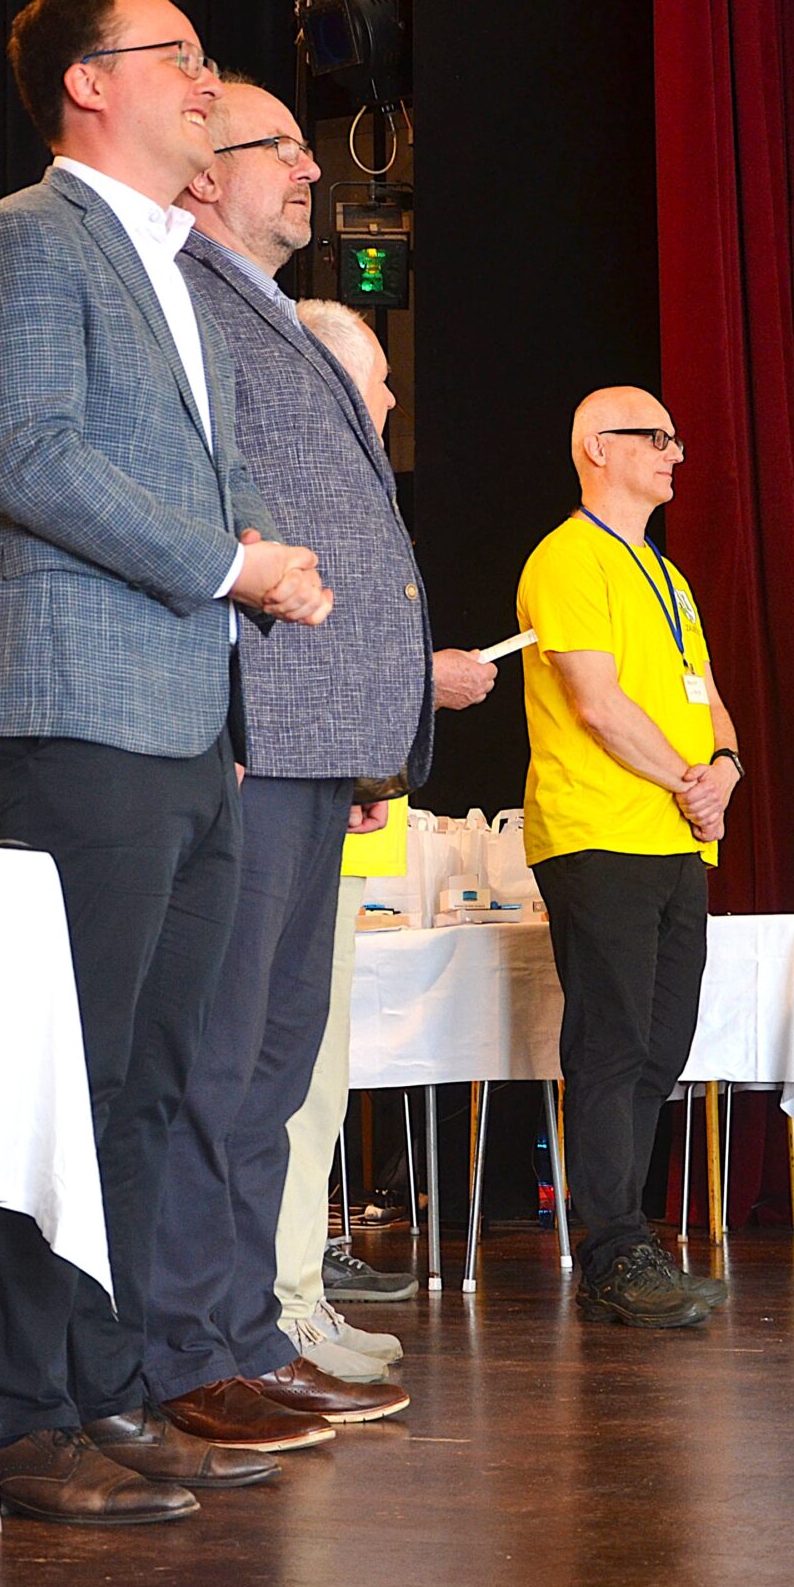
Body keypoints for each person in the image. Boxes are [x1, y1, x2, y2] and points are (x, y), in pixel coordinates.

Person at [0, 0, 333, 1528]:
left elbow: (173, 482)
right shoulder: (23, 239)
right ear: (88, 83)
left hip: (183, 724)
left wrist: (252, 598)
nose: (205, 80)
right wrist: (233, 561)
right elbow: (32, 454)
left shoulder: (177, 262)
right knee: (66, 1076)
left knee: (154, 1081)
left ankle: (106, 1389)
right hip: (74, 710)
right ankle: (22, 1416)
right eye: (177, 54)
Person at [135, 80, 425, 1438]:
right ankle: (189, 1347)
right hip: (252, 732)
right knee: (223, 1055)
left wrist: (366, 739)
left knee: (274, 1060)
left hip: (315, 744)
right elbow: (206, 512)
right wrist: (235, 721)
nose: (315, 169)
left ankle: (244, 1328)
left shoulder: (257, 304)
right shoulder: (188, 299)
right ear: (204, 174)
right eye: (285, 150)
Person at [266, 297, 500, 1383]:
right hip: (289, 806)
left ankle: (295, 1295)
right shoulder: (294, 477)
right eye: (378, 378)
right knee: (289, 1079)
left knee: (318, 1078)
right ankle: (277, 1308)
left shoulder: (342, 477)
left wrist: (373, 767)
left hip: (338, 808)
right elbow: (302, 646)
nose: (395, 398)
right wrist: (417, 684)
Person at [515, 386, 742, 1329]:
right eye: (655, 436)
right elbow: (598, 705)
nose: (675, 452)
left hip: (674, 836)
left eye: (676, 437)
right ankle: (611, 1251)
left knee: (662, 1045)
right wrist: (692, 781)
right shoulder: (567, 558)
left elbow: (708, 696)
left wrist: (724, 768)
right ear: (595, 448)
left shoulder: (667, 574)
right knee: (610, 1045)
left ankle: (629, 1240)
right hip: (599, 831)